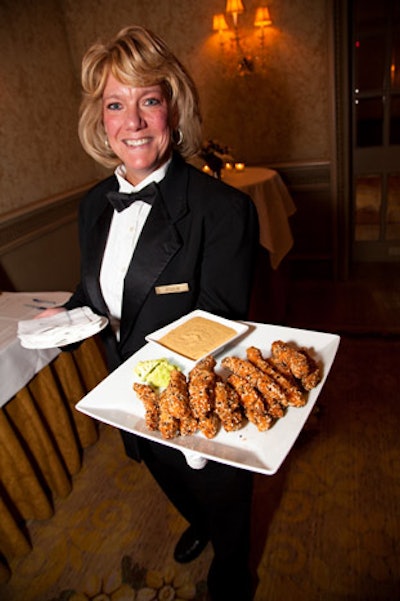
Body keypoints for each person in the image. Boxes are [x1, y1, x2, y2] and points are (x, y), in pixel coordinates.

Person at [45, 25, 259, 601]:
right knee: (164, 473)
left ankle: (234, 564)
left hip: (197, 390)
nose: (133, 121)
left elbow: (218, 319)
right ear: (101, 120)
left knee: (221, 488)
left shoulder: (223, 210)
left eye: (149, 101)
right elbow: (97, 291)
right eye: (117, 104)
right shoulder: (93, 204)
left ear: (173, 109)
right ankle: (200, 523)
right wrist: (62, 323)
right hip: (127, 390)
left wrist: (156, 383)